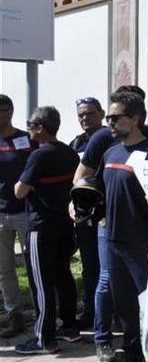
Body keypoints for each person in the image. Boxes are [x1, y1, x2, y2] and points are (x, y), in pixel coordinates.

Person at [94, 91, 148, 362]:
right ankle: (133, 353)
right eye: (108, 117)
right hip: (112, 241)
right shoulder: (110, 152)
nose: (109, 122)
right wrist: (78, 205)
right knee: (124, 306)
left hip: (140, 243)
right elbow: (98, 189)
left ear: (134, 119)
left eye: (115, 117)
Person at [14, 106, 81, 354]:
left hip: (40, 228)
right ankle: (71, 328)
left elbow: (20, 190)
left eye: (31, 123)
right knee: (64, 276)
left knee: (41, 283)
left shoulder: (39, 155)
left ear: (41, 128)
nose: (29, 127)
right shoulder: (70, 153)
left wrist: (22, 186)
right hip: (64, 224)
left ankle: (45, 338)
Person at [68, 96, 105, 330]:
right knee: (90, 265)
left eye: (89, 113)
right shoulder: (76, 143)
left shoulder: (111, 139)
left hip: (109, 213)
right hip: (84, 215)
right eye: (81, 114)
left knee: (111, 267)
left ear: (101, 114)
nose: (85, 118)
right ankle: (92, 311)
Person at [0, 95, 34, 338]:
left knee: (34, 266)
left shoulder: (26, 139)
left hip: (25, 211)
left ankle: (44, 313)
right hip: (0, 215)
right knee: (5, 269)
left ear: (10, 111)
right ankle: (15, 315)